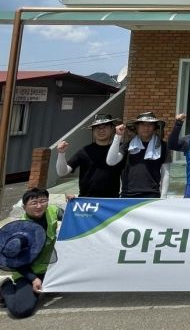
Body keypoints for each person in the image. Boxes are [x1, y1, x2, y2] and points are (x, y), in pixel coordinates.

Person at [0, 188, 64, 319]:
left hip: (50, 267)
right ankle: (6, 287)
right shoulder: (18, 230)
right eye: (34, 203)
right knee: (21, 311)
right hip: (28, 272)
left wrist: (74, 203)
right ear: (24, 207)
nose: (39, 206)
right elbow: (15, 262)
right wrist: (33, 279)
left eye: (43, 201)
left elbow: (72, 216)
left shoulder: (52, 210)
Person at [55, 113, 124, 198]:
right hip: (86, 200)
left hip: (111, 201)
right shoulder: (85, 151)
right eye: (97, 127)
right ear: (92, 131)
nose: (101, 130)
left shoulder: (121, 149)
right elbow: (62, 172)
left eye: (105, 126)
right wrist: (61, 153)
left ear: (112, 128)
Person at [107, 112, 171, 198]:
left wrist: (163, 196)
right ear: (136, 127)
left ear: (155, 127)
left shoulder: (163, 146)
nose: (146, 127)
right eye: (142, 124)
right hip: (127, 194)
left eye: (150, 125)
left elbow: (165, 173)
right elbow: (111, 161)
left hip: (152, 195)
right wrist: (117, 136)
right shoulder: (127, 146)